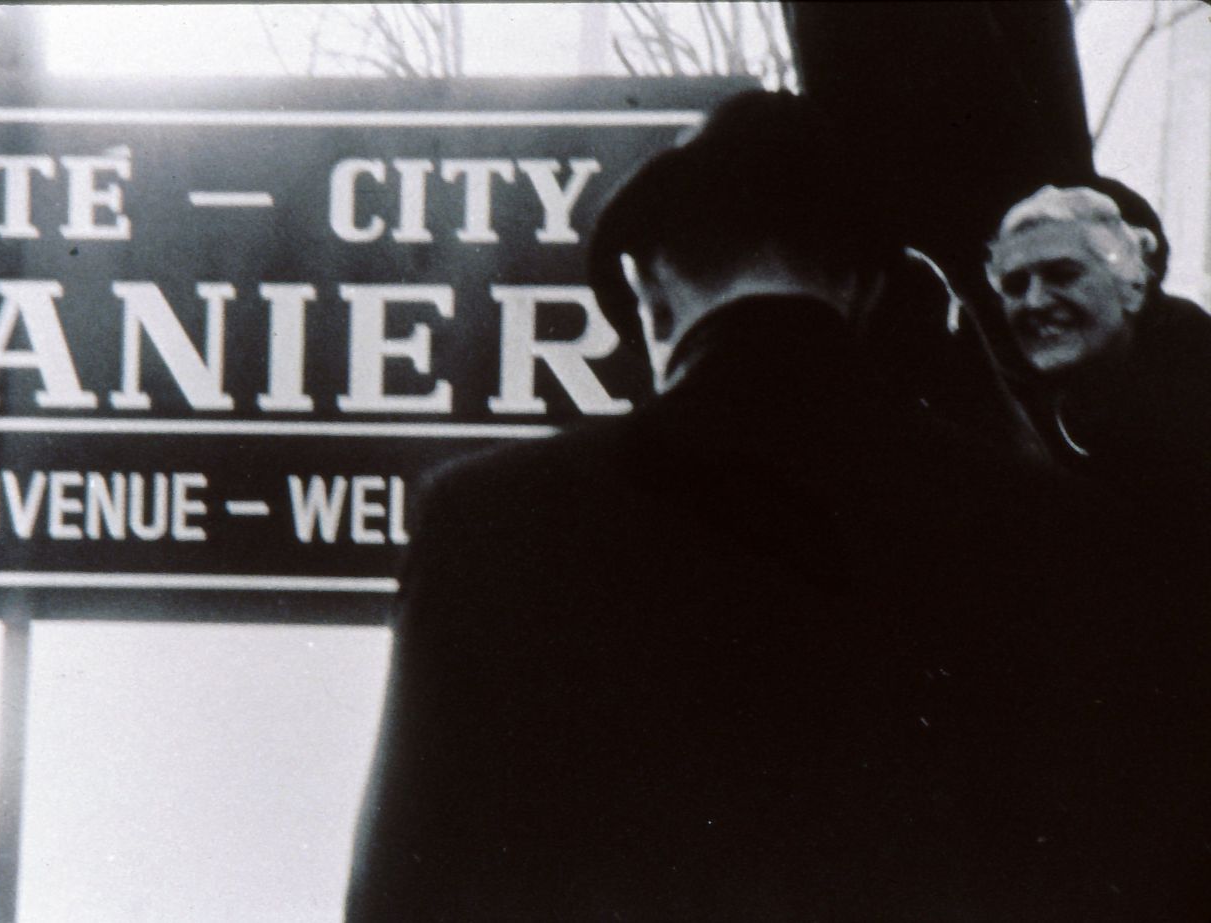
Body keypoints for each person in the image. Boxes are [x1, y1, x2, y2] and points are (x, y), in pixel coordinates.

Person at [345, 91, 1211, 921]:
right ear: (864, 290)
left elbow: (406, 897)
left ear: (651, 290)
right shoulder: (1052, 528)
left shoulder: (487, 520)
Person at [986, 184, 1211, 535]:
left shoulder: (1196, 402)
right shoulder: (1008, 395)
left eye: (1063, 275)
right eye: (1015, 285)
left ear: (1132, 288)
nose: (1035, 302)